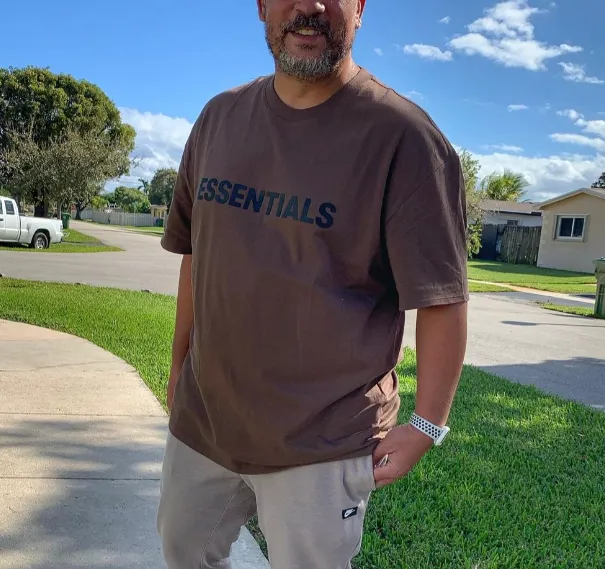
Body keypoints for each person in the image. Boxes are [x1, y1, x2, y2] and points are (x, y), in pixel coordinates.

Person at [156, 1, 469, 567]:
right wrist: (179, 367)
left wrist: (428, 424)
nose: (309, 7)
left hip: (323, 443)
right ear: (260, 6)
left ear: (360, 7)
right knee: (184, 552)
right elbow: (196, 257)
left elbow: (442, 298)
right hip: (205, 424)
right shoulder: (218, 119)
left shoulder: (405, 139)